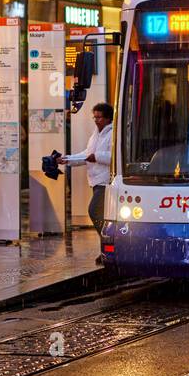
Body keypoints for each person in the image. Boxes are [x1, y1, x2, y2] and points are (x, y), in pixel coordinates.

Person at [61, 103, 114, 263]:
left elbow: (114, 156)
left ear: (107, 118)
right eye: (95, 117)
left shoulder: (112, 134)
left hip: (106, 182)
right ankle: (107, 250)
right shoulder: (96, 134)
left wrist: (96, 156)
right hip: (95, 181)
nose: (96, 120)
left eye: (99, 117)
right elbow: (86, 154)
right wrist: (67, 159)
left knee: (94, 212)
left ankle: (110, 245)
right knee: (102, 217)